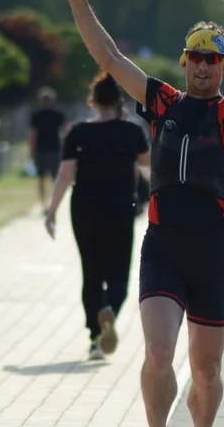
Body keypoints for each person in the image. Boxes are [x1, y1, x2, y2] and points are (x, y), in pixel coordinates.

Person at [54, 0, 224, 427]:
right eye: (195, 58)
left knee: (206, 372)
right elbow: (105, 53)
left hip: (212, 254)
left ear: (221, 67)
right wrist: (81, 3)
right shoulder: (161, 102)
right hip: (163, 248)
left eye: (213, 60)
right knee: (156, 352)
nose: (203, 67)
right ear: (184, 62)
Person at [44, 71, 151, 361]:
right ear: (120, 101)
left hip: (84, 207)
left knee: (91, 272)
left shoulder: (77, 132)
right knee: (118, 274)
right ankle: (111, 310)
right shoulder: (132, 131)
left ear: (92, 101)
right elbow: (146, 166)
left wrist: (51, 211)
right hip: (119, 207)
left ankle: (94, 336)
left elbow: (65, 174)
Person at [29, 87, 67, 205]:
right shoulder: (58, 115)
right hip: (54, 149)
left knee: (41, 178)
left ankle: (43, 203)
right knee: (55, 178)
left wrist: (32, 152)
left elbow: (33, 135)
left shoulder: (36, 116)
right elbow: (65, 132)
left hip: (41, 150)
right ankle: (53, 202)